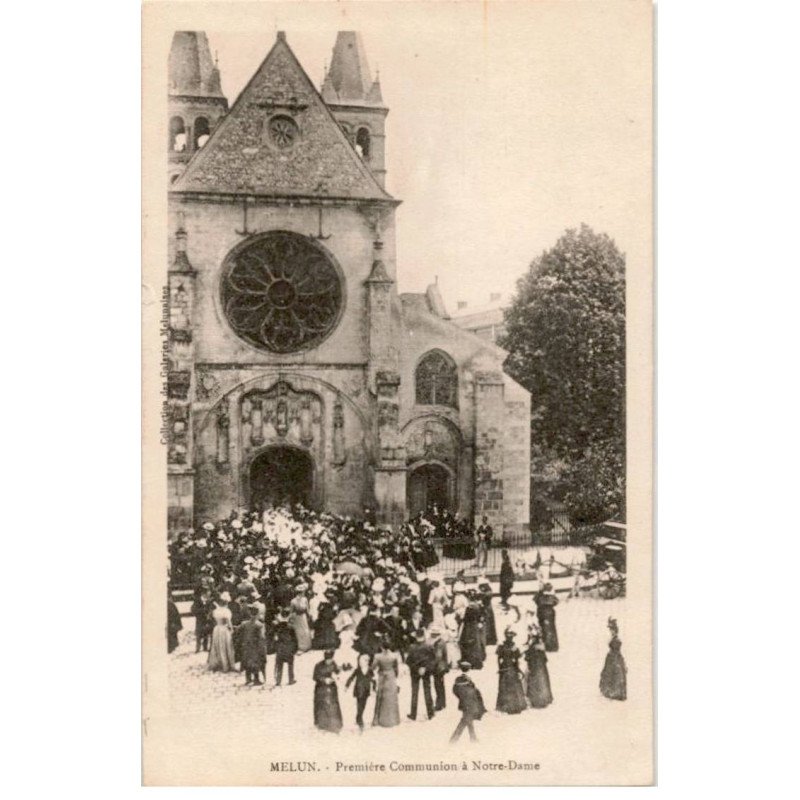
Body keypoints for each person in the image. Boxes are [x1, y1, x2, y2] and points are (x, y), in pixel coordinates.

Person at [450, 661, 487, 743]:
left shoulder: (458, 679)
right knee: (464, 721)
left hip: (464, 703)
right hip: (470, 703)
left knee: (468, 720)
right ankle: (453, 740)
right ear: (469, 669)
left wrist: (461, 698)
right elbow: (474, 692)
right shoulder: (468, 679)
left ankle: (473, 738)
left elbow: (455, 691)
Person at [495, 629, 528, 714]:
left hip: (505, 670)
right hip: (511, 669)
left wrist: (500, 668)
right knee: (513, 688)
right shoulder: (514, 648)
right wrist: (518, 670)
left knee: (504, 688)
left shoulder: (501, 647)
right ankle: (515, 706)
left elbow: (499, 660)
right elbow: (516, 661)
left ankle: (505, 706)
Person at [406, 630, 436, 721]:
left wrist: (416, 668)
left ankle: (413, 714)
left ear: (416, 637)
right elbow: (433, 660)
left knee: (414, 692)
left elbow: (408, 661)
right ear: (424, 636)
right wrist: (425, 668)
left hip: (415, 672)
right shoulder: (429, 646)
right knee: (427, 691)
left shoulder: (412, 647)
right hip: (426, 671)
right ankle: (430, 713)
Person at [372, 638, 401, 728]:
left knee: (381, 697)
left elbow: (373, 667)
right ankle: (393, 720)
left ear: (381, 647)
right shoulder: (394, 656)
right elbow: (396, 668)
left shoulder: (378, 656)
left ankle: (379, 720)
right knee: (391, 698)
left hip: (382, 676)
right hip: (391, 676)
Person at [313, 650, 343, 733]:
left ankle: (334, 723)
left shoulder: (333, 663)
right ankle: (321, 723)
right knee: (321, 705)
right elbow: (315, 677)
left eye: (331, 659)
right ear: (325, 659)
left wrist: (340, 669)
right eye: (329, 660)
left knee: (333, 704)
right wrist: (324, 680)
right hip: (321, 688)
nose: (330, 661)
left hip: (332, 687)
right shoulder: (318, 665)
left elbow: (337, 671)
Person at [345, 653, 376, 731]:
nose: (362, 663)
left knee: (363, 704)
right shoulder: (358, 670)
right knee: (359, 704)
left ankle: (359, 716)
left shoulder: (370, 670)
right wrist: (347, 685)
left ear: (367, 662)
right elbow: (351, 677)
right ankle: (359, 719)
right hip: (358, 690)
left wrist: (374, 688)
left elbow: (373, 679)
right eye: (360, 662)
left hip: (366, 690)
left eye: (364, 661)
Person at [238, 604, 267, 685]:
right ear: (257, 614)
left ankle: (248, 679)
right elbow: (261, 637)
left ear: (250, 614)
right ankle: (256, 679)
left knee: (247, 661)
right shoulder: (259, 625)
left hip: (247, 646)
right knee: (256, 662)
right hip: (255, 647)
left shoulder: (245, 624)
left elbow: (238, 631)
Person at [600, 618, 627, 700]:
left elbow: (616, 649)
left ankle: (615, 692)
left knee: (615, 674)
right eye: (610, 629)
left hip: (614, 658)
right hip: (613, 658)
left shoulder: (616, 639)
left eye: (611, 629)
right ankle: (613, 691)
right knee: (612, 674)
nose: (610, 631)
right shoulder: (614, 638)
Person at [207, 592, 236, 671]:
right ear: (226, 602)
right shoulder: (226, 611)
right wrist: (231, 629)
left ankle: (219, 663)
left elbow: (213, 619)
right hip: (224, 629)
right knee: (226, 646)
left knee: (218, 645)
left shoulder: (216, 611)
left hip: (217, 628)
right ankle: (226, 664)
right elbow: (228, 622)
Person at [525, 632, 553, 708]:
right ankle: (544, 700)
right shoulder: (541, 648)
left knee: (534, 683)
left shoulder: (532, 647)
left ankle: (535, 701)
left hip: (534, 669)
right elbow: (545, 659)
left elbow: (527, 658)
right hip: (542, 669)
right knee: (542, 683)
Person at [459, 591, 486, 669]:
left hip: (469, 626)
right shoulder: (478, 606)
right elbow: (481, 617)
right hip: (475, 626)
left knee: (468, 643)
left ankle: (469, 661)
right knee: (476, 643)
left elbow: (465, 618)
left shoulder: (470, 608)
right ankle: (477, 661)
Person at [273, 608, 298, 686]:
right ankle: (291, 679)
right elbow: (295, 639)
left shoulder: (277, 626)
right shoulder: (291, 627)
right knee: (290, 664)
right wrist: (295, 648)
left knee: (279, 664)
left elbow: (274, 637)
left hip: (280, 648)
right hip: (289, 647)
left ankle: (278, 680)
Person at [429, 626, 449, 711]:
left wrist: (430, 664)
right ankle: (443, 703)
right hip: (442, 667)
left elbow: (438, 656)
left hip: (438, 668)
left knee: (438, 686)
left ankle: (439, 704)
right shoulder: (442, 642)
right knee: (441, 685)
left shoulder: (438, 644)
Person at [535, 583, 560, 652]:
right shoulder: (552, 597)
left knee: (544, 629)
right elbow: (556, 602)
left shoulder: (540, 596)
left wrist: (539, 591)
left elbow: (535, 600)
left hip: (542, 613)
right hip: (550, 613)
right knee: (552, 628)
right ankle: (553, 646)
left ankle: (547, 645)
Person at [290, 584, 312, 653]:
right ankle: (302, 647)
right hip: (299, 617)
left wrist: (308, 616)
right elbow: (292, 611)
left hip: (302, 617)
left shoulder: (304, 599)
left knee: (304, 631)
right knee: (300, 631)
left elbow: (307, 609)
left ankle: (306, 646)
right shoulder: (294, 601)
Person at [477, 577, 497, 646]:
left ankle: (488, 638)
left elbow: (483, 597)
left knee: (487, 623)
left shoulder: (488, 592)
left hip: (487, 609)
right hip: (487, 608)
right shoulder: (486, 592)